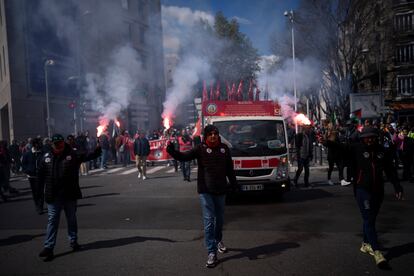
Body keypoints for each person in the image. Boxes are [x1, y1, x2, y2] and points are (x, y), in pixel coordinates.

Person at [167, 125, 238, 268]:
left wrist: (234, 184)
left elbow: (230, 168)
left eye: (216, 133)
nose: (213, 136)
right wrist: (173, 152)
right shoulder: (200, 148)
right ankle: (211, 252)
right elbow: (185, 157)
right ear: (205, 136)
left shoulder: (224, 148)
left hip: (221, 190)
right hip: (205, 190)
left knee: (220, 219)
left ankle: (218, 240)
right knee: (209, 220)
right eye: (210, 134)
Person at [37, 134, 101, 260]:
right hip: (53, 195)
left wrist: (98, 149)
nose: (59, 146)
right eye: (56, 144)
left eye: (60, 143)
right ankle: (49, 247)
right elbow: (40, 175)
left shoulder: (73, 154)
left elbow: (89, 155)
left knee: (71, 219)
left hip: (69, 194)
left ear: (63, 142)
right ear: (52, 144)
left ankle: (73, 241)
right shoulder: (46, 157)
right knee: (52, 221)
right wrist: (39, 193)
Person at [349, 127, 403, 267]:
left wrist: (397, 187)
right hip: (362, 190)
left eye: (372, 137)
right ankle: (377, 252)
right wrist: (327, 142)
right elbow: (340, 148)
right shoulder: (357, 149)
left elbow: (390, 170)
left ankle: (365, 244)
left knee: (371, 219)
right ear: (362, 138)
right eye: (367, 137)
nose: (370, 139)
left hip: (378, 190)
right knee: (368, 218)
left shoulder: (382, 151)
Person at [22, 138, 45, 214]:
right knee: (35, 192)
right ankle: (37, 205)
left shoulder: (43, 153)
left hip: (41, 176)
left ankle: (40, 207)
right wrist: (27, 171)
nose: (40, 145)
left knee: (41, 191)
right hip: (32, 176)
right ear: (35, 144)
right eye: (39, 143)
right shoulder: (27, 154)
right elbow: (24, 164)